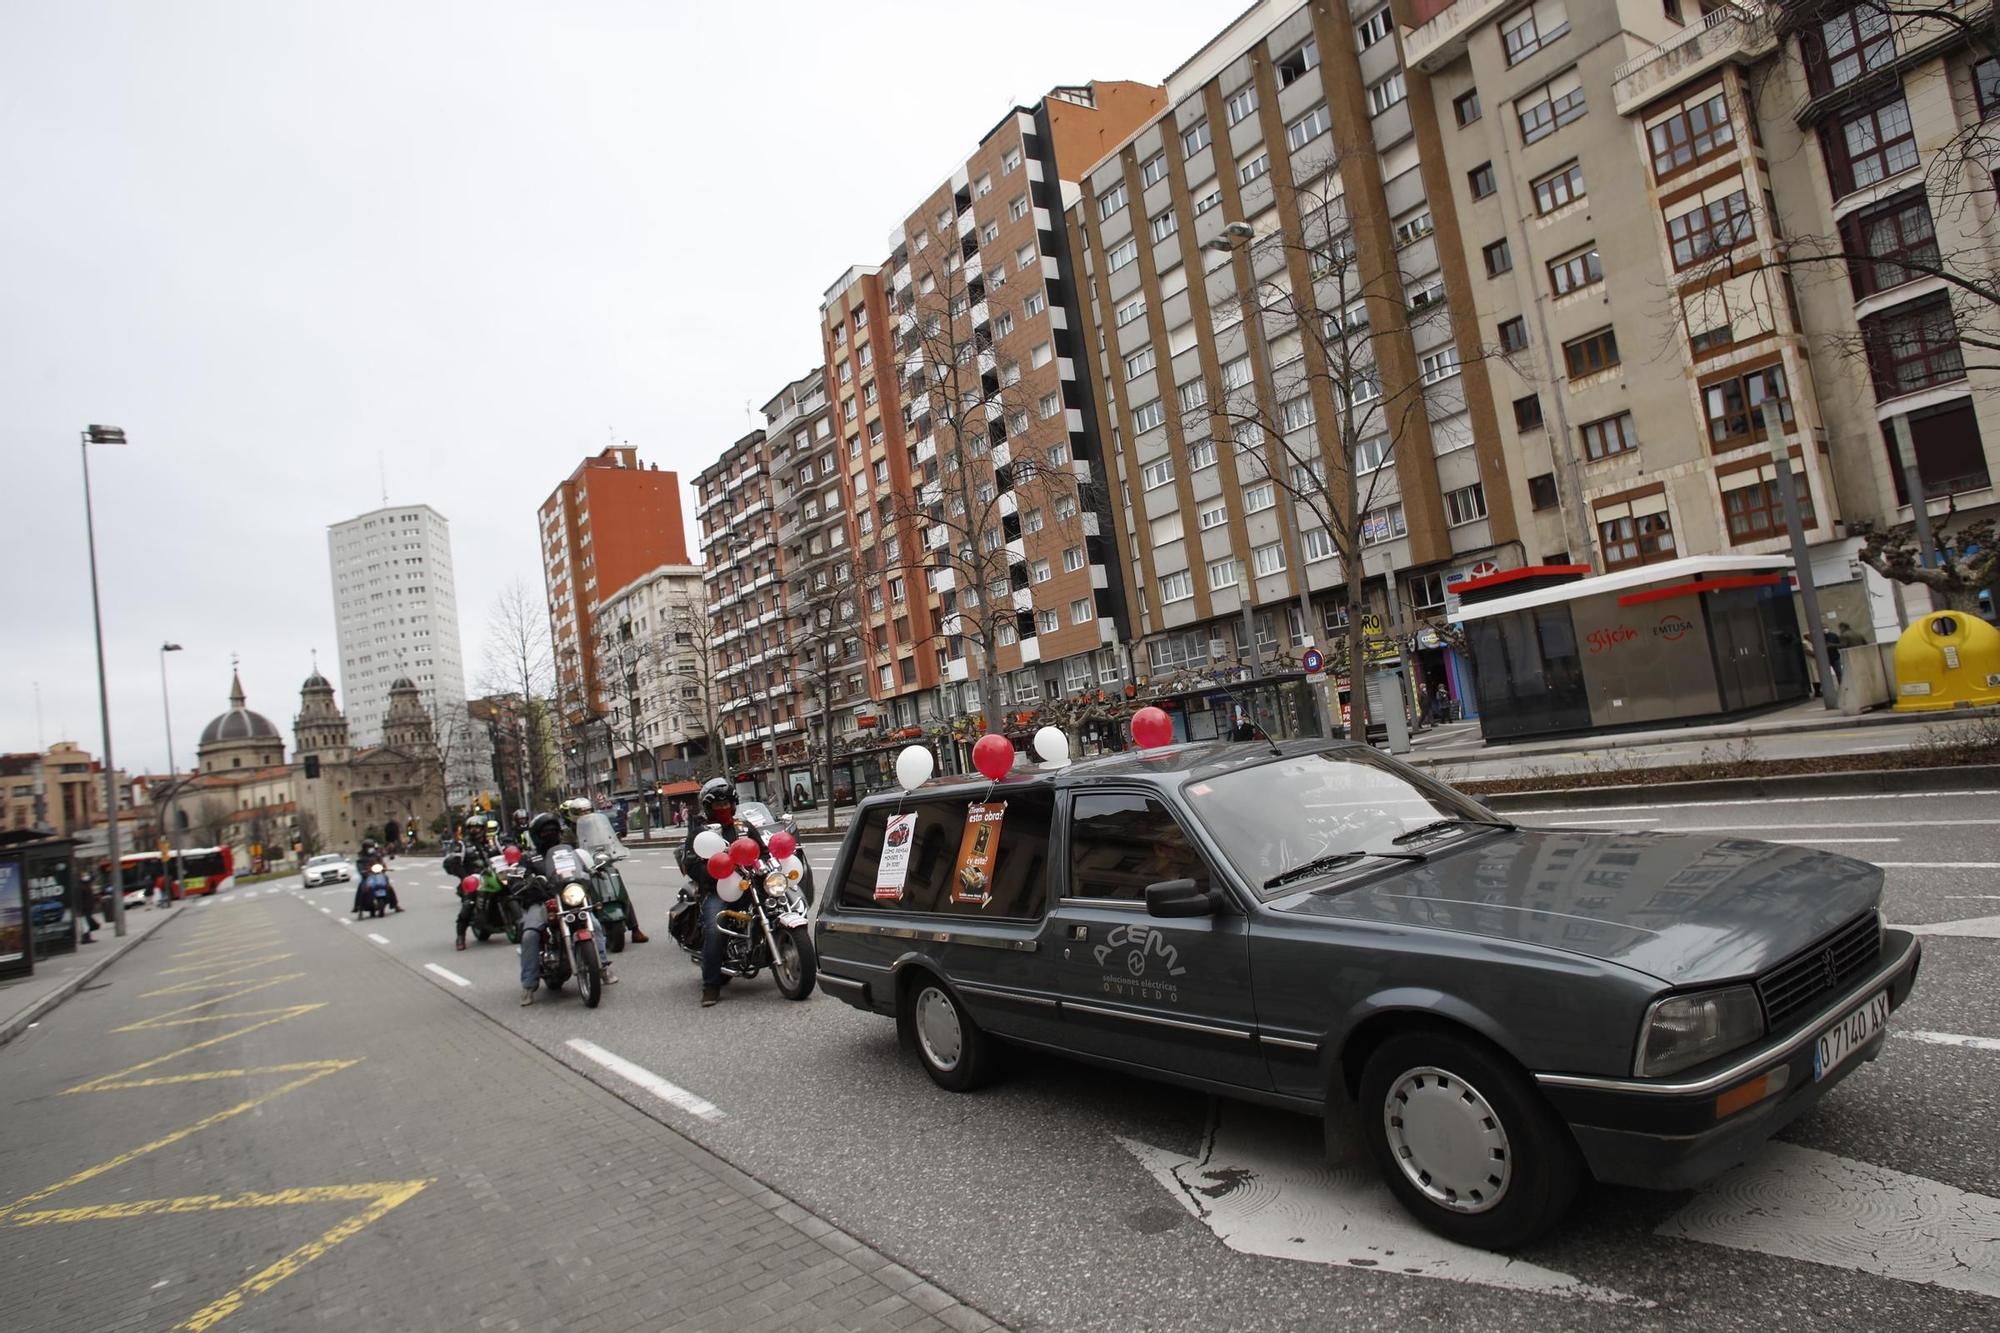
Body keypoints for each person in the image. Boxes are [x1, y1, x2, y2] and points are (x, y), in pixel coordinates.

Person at [517, 811, 614, 1004]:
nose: (550, 835)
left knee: (593, 923)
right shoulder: (530, 858)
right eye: (545, 832)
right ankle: (528, 985)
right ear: (537, 835)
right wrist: (522, 883)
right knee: (530, 935)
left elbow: (584, 868)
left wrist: (593, 871)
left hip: (569, 897)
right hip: (542, 902)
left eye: (553, 830)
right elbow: (519, 877)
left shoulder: (570, 853)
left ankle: (602, 967)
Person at [678, 777, 759, 1008]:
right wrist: (717, 871)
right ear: (709, 808)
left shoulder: (744, 828)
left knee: (781, 903)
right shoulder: (701, 833)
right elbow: (691, 866)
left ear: (733, 804)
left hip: (749, 886)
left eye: (727, 804)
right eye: (718, 805)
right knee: (715, 928)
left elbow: (761, 852)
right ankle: (711, 985)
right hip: (718, 891)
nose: (723, 809)